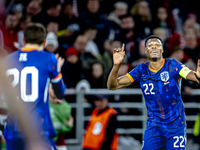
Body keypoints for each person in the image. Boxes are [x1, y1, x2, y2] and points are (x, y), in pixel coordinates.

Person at [107, 35, 200, 150]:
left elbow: (189, 74)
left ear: (162, 50)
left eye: (157, 45)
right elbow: (112, 85)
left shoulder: (172, 65)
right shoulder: (141, 70)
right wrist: (116, 66)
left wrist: (197, 77)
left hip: (175, 124)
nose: (154, 47)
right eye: (150, 46)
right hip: (154, 125)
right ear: (146, 50)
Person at [4, 23, 65, 150]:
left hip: (12, 128)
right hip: (38, 128)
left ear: (24, 40)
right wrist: (57, 72)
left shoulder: (7, 60)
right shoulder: (49, 58)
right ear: (44, 42)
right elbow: (60, 93)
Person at [49, 83, 74, 150]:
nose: (54, 91)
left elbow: (67, 126)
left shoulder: (65, 107)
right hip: (44, 141)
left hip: (59, 142)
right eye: (52, 88)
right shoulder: (42, 103)